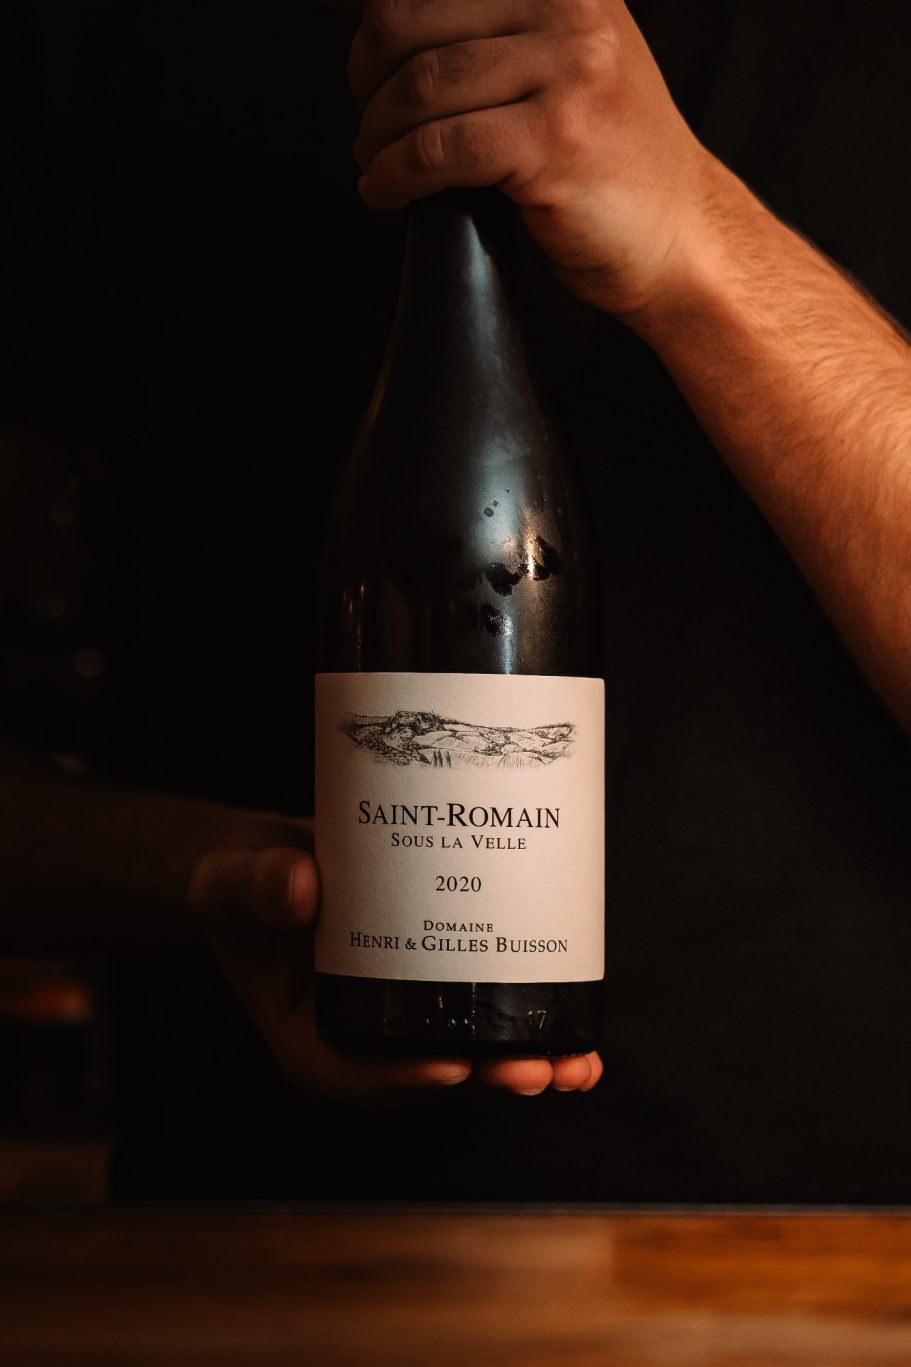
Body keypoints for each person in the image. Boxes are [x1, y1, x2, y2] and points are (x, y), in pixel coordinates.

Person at [1, 0, 910, 1201]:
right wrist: (200, 872)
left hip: (826, 1241)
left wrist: (700, 230)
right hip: (242, 1240)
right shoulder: (77, 34)